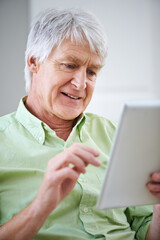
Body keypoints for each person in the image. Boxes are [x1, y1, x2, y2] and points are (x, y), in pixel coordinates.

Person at [0, 8, 160, 240]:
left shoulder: (117, 135)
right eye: (70, 65)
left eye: (92, 72)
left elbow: (145, 232)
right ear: (34, 61)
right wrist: (41, 207)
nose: (81, 83)